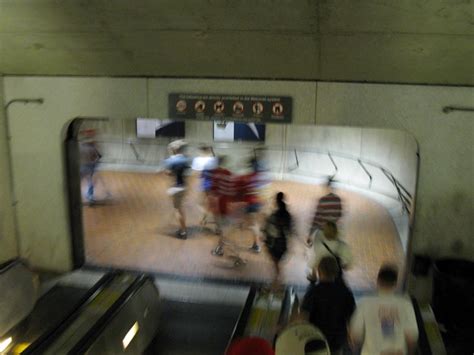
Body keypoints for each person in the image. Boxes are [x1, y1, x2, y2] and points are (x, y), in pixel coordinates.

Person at [350, 264, 419, 355]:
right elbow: (412, 338)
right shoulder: (406, 305)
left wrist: (355, 347)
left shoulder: (365, 303)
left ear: (378, 281)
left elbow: (355, 335)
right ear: (395, 283)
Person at [300, 256, 356, 354]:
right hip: (337, 341)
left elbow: (303, 318)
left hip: (315, 341)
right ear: (336, 271)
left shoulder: (313, 292)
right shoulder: (345, 292)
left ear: (319, 271)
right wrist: (351, 338)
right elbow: (352, 318)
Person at [262, 192, 293, 289]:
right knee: (277, 263)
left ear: (276, 201)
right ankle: (278, 280)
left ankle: (277, 282)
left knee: (276, 263)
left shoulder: (274, 216)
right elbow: (289, 230)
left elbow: (269, 229)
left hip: (274, 243)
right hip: (283, 243)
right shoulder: (287, 215)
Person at [164, 140, 190, 239]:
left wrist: (171, 153)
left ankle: (183, 231)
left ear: (175, 149)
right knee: (181, 208)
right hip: (184, 186)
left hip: (175, 187)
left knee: (177, 210)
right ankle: (182, 227)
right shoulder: (185, 159)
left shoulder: (171, 160)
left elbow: (168, 173)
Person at [307, 178, 343, 246]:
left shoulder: (323, 200)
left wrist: (310, 234)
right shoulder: (338, 200)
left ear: (327, 187)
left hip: (323, 232)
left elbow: (316, 219)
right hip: (333, 232)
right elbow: (339, 215)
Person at [191, 145, 217, 226]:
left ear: (202, 151)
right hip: (215, 184)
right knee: (211, 203)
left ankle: (205, 217)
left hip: (206, 184)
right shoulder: (213, 160)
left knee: (200, 203)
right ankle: (206, 219)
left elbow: (195, 174)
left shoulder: (199, 161)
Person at [79, 129, 102, 203]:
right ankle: (89, 196)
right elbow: (98, 156)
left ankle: (90, 196)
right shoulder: (88, 146)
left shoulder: (83, 145)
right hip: (85, 166)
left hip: (88, 165)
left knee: (90, 182)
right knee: (89, 181)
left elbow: (97, 156)